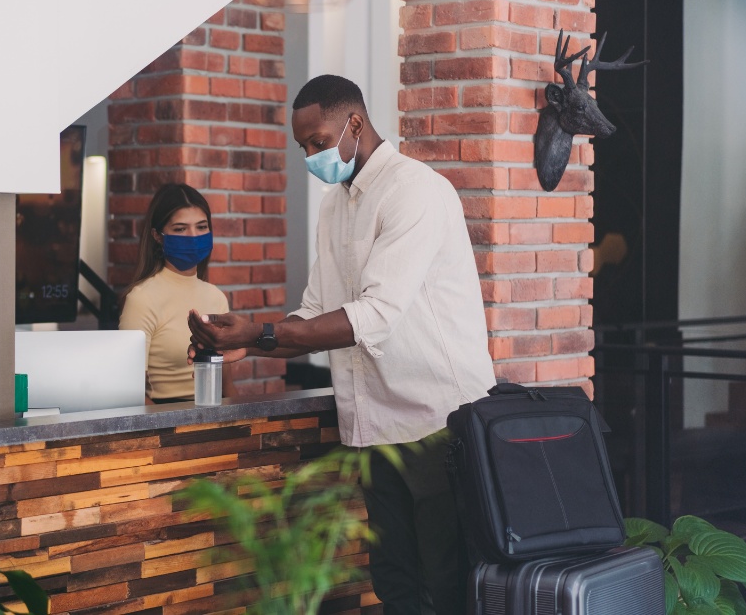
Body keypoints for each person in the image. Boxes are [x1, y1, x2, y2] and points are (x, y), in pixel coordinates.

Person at [186, 75, 495, 615]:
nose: (311, 155)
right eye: (303, 146)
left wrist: (260, 332)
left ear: (354, 123)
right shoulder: (335, 206)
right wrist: (243, 344)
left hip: (438, 422)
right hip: (373, 427)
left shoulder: (415, 190)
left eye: (317, 142)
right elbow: (313, 313)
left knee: (447, 584)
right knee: (394, 581)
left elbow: (373, 316)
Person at [120, 183, 237, 403]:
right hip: (165, 421)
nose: (193, 236)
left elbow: (226, 384)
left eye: (201, 226)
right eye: (181, 229)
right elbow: (128, 390)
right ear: (157, 235)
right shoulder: (142, 298)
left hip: (214, 416)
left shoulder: (216, 297)